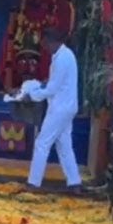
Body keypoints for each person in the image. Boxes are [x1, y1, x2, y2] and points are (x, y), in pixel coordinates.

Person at [24, 27, 82, 191]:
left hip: (60, 108)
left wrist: (32, 96)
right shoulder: (63, 55)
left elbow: (53, 88)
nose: (45, 48)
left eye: (45, 44)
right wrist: (43, 85)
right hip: (66, 107)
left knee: (42, 143)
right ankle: (74, 182)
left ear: (51, 41)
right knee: (64, 145)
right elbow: (55, 83)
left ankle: (33, 183)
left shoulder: (63, 58)